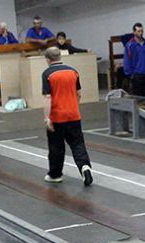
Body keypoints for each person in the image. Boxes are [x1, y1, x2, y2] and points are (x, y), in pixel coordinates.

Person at [41, 47, 93, 186]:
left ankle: (55, 174)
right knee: (77, 143)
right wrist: (74, 107)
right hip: (74, 115)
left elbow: (47, 97)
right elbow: (78, 93)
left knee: (56, 147)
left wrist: (47, 118)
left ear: (47, 59)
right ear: (60, 56)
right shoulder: (73, 71)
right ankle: (84, 166)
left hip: (57, 116)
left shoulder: (47, 74)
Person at [124, 23, 145, 98]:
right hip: (137, 75)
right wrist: (130, 74)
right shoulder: (129, 45)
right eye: (138, 31)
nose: (141, 33)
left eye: (142, 31)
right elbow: (127, 60)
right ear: (134, 32)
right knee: (138, 97)